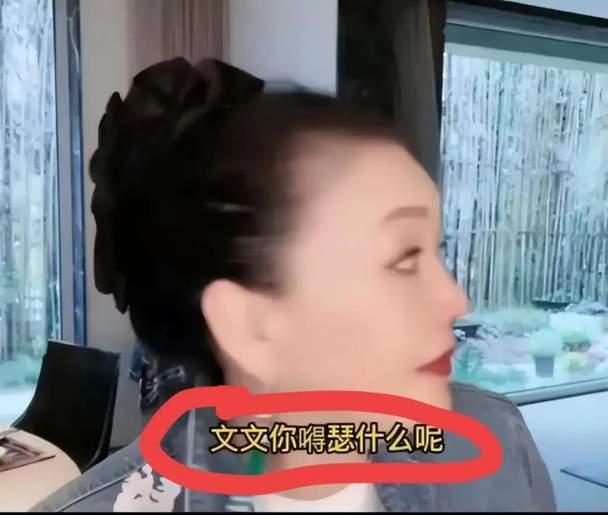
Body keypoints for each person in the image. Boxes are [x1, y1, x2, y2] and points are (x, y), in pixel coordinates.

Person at [31, 58, 556, 512]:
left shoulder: (496, 445)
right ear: (252, 327)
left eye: (434, 251)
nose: (456, 300)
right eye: (403, 259)